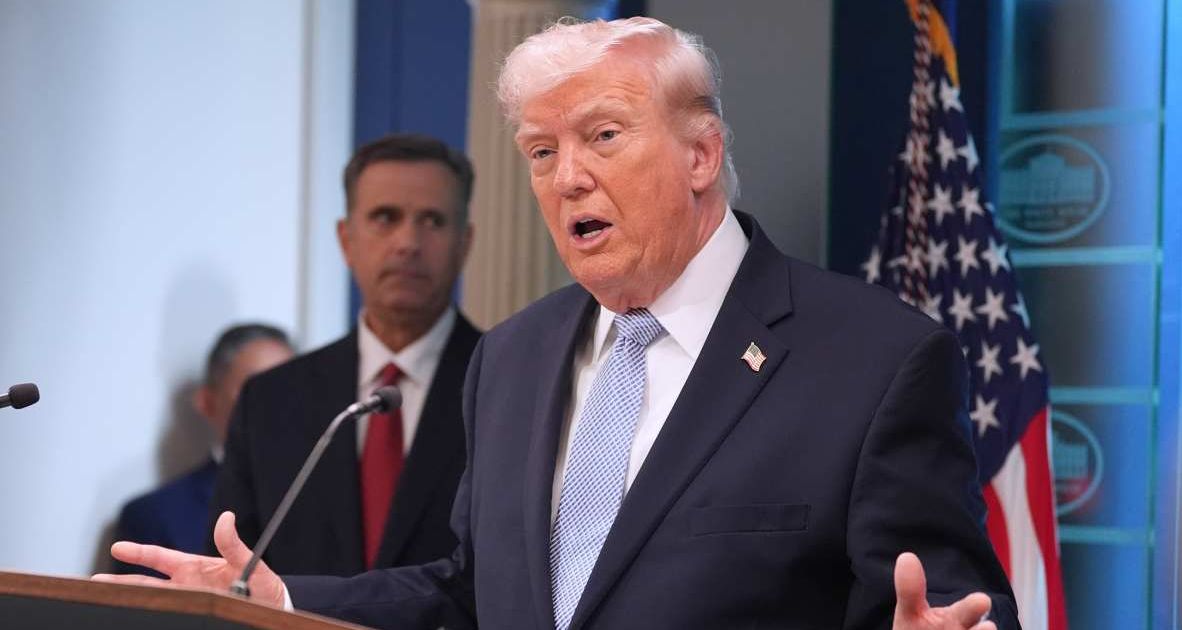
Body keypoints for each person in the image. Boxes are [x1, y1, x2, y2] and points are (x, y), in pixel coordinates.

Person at [101, 18, 1016, 630]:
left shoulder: (873, 359)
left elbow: (949, 604)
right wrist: (279, 601)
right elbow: (470, 590)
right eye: (541, 151)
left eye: (603, 137)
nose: (567, 177)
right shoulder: (515, 354)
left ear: (701, 155)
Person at [205, 134, 482, 576]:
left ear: (464, 243)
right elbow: (230, 570)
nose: (407, 242)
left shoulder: (508, 388)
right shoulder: (270, 402)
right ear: (346, 239)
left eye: (432, 221)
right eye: (385, 217)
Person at [111, 323, 294, 576]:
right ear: (207, 402)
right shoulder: (155, 516)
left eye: (287, 390)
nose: (277, 407)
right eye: (256, 390)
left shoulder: (327, 496)